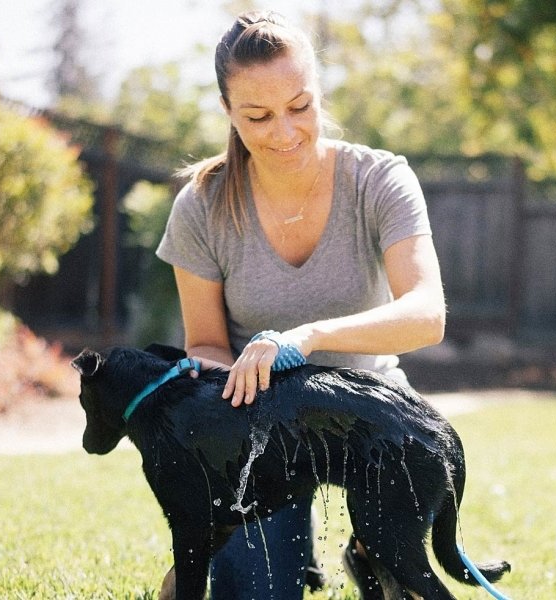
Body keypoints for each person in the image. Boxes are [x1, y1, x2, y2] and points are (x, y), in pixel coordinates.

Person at [156, 9, 446, 600]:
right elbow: (206, 343)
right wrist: (234, 380)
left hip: (371, 412)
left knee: (405, 583)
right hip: (260, 425)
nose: (284, 132)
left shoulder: (380, 180)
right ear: (228, 112)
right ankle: (239, 540)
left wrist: (305, 338)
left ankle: (369, 548)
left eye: (300, 106)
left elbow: (426, 312)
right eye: (257, 116)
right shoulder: (202, 206)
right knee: (258, 591)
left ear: (318, 92)